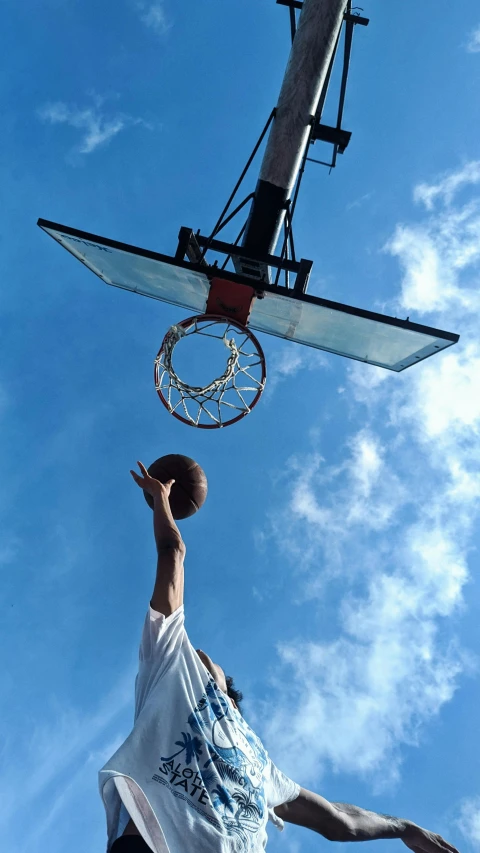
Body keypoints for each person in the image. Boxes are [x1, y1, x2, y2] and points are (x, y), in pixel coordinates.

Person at [99, 462, 460, 853]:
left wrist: (403, 827)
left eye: (214, 667)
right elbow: (173, 552)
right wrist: (161, 501)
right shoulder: (171, 669)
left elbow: (340, 822)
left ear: (229, 695)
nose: (202, 655)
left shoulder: (262, 766)